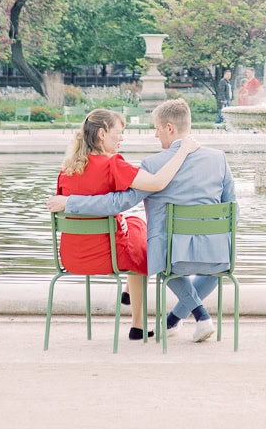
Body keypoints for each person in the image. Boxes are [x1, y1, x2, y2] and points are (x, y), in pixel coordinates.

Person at [50, 97, 235, 345]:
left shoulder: (152, 164)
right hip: (216, 251)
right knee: (147, 241)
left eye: (157, 129)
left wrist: (71, 202)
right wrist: (226, 240)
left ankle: (186, 318)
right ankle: (174, 319)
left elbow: (119, 202)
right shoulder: (219, 159)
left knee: (154, 252)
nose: (156, 136)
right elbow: (232, 206)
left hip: (159, 254)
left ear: (169, 128)